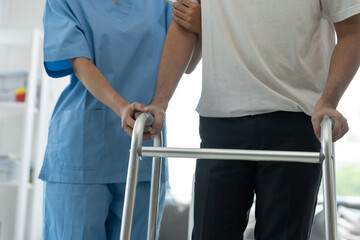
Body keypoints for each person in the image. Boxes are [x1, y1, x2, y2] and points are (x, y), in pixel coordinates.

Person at [138, 0, 360, 239]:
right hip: (221, 122)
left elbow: (353, 29)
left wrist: (327, 102)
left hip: (295, 122)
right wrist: (159, 102)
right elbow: (185, 23)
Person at [39, 0, 201, 239]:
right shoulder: (65, 2)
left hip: (143, 144)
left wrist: (200, 29)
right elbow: (80, 62)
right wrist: (120, 105)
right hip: (81, 149)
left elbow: (187, 60)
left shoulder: (162, 4)